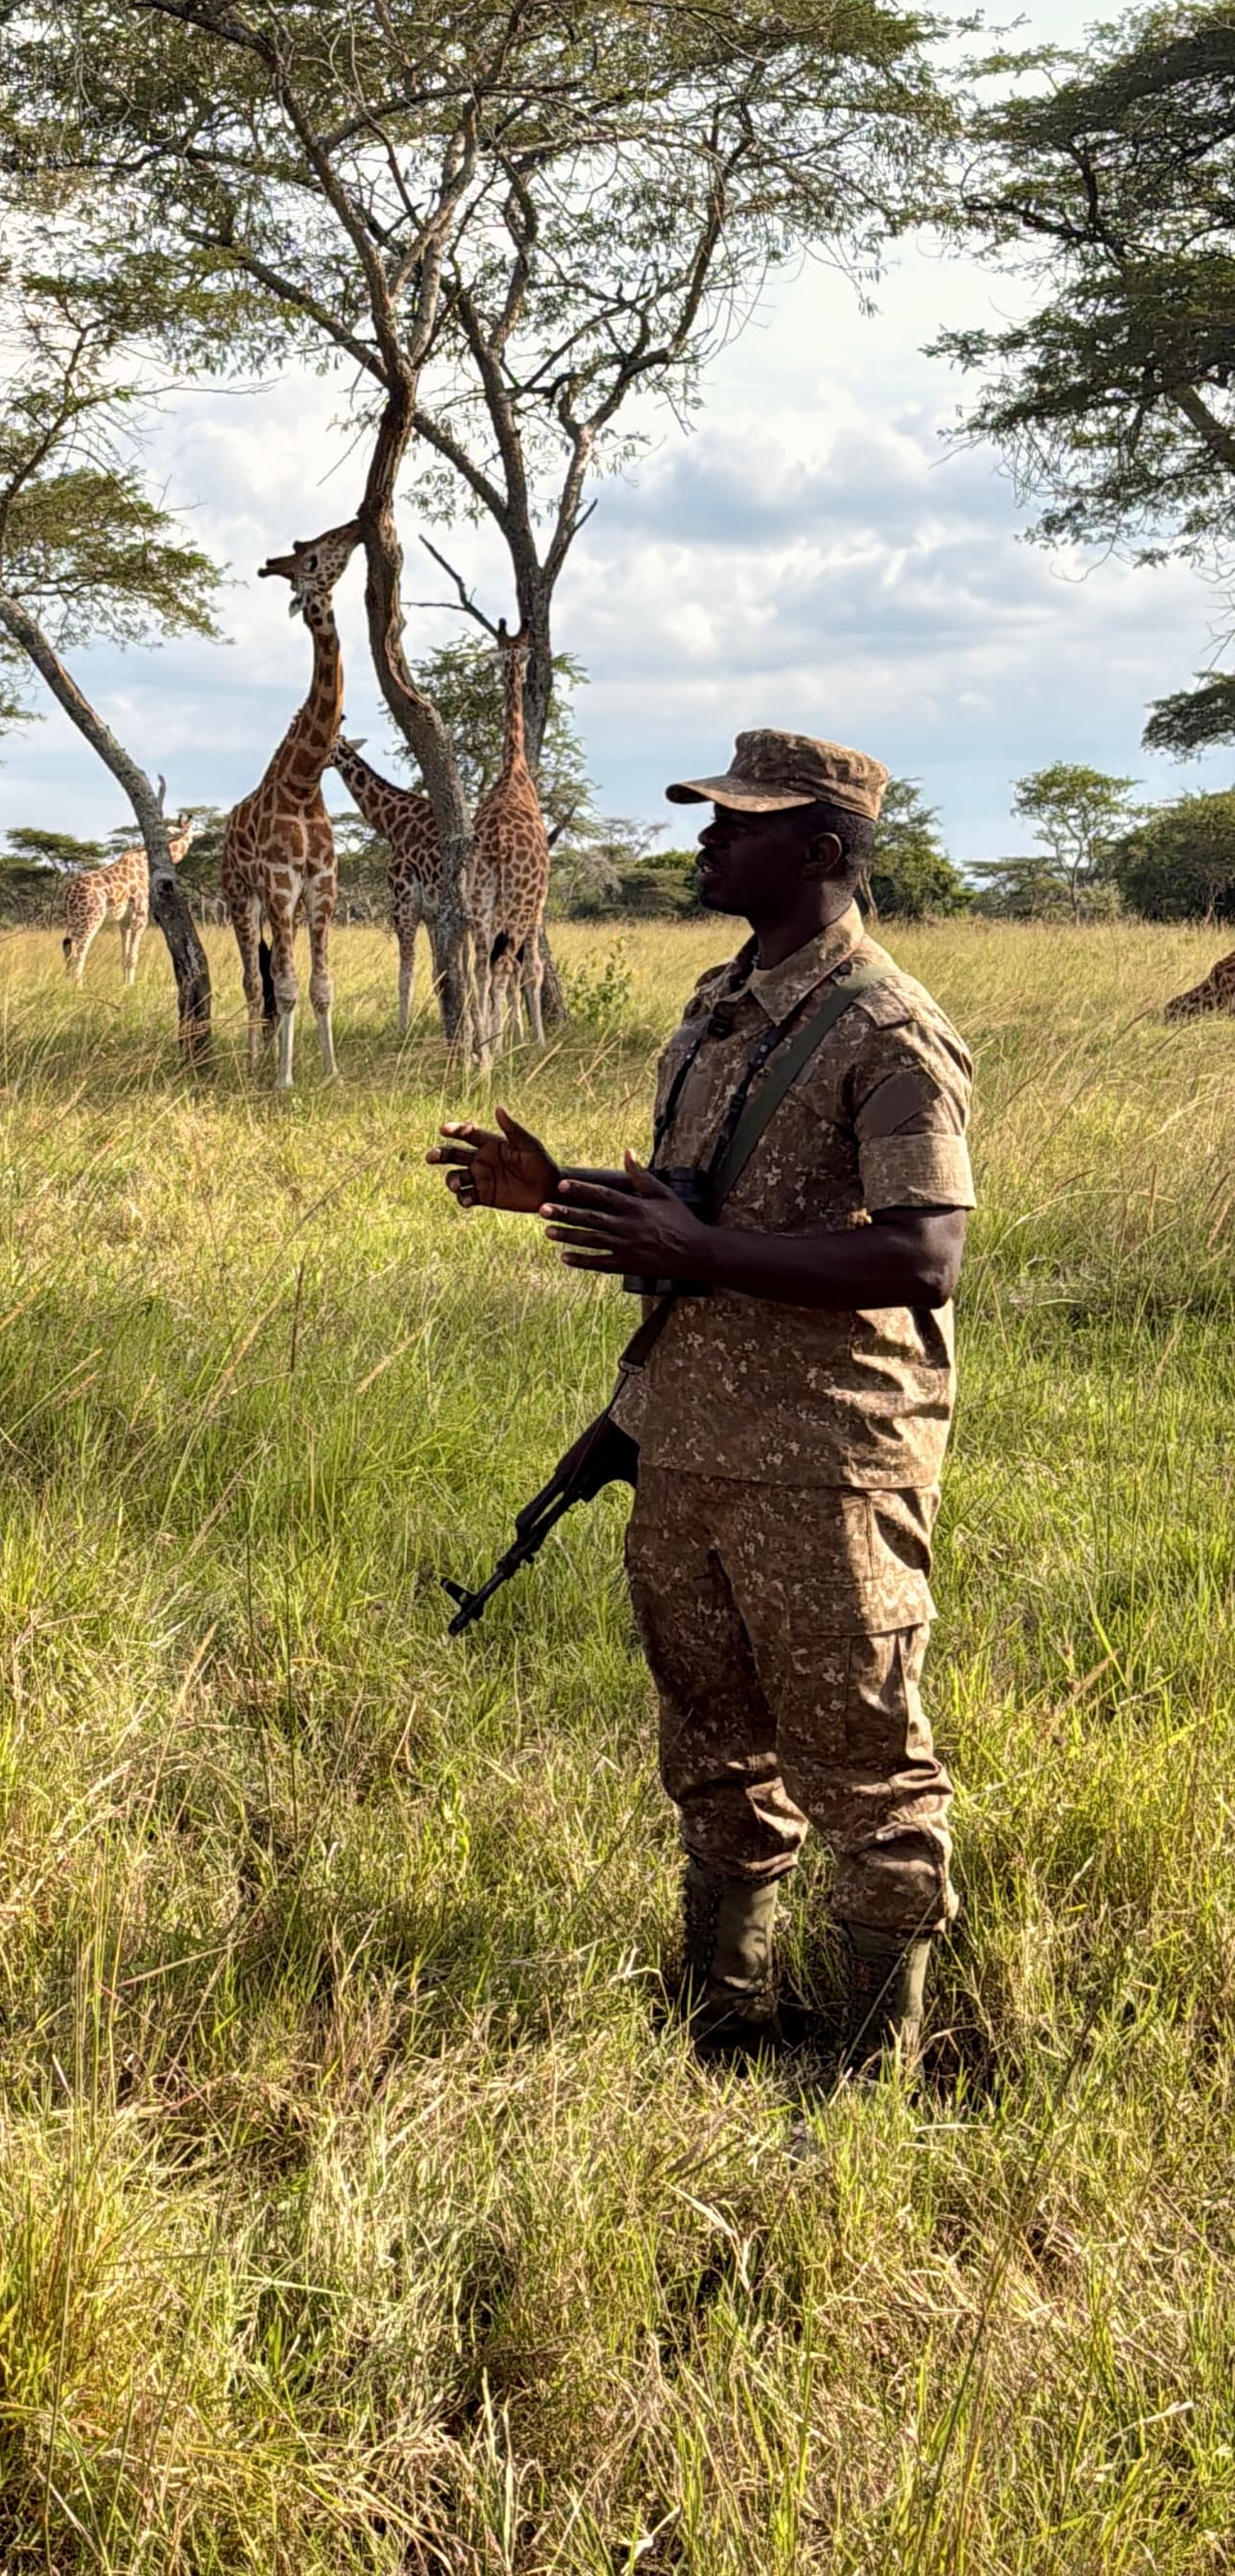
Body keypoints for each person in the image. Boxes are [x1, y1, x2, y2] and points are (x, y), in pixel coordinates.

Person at [431, 729, 974, 2079]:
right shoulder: (717, 1009)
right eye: (711, 820)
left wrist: (697, 1254)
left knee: (864, 1768)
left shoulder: (891, 1031)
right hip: (689, 1438)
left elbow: (923, 1256)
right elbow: (704, 1217)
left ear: (823, 853)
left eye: (739, 825)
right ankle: (724, 2020)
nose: (707, 841)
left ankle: (863, 2069)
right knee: (714, 1751)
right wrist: (559, 1192)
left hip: (828, 1456)